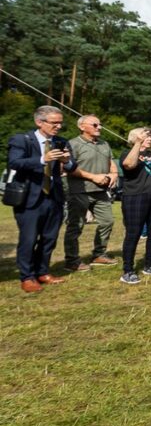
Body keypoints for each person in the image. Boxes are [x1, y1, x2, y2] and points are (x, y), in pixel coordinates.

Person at [7, 106, 78, 293]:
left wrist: (66, 162)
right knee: (29, 239)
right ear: (39, 122)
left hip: (53, 197)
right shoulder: (22, 140)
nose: (59, 127)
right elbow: (14, 162)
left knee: (49, 238)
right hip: (29, 198)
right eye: (54, 123)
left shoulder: (61, 141)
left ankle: (43, 271)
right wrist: (42, 159)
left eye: (60, 123)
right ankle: (27, 276)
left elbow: (71, 166)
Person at [64, 114, 118, 272]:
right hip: (79, 191)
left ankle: (99, 254)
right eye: (95, 125)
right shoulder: (73, 144)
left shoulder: (104, 144)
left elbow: (111, 164)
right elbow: (68, 168)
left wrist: (113, 175)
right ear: (82, 126)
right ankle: (72, 260)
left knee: (107, 221)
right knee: (76, 226)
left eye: (100, 124)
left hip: (100, 191)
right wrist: (94, 177)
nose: (99, 127)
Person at [119, 127, 151, 284]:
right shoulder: (126, 153)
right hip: (135, 197)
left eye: (149, 136)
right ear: (135, 137)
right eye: (145, 135)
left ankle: (150, 265)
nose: (149, 137)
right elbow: (129, 165)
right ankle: (128, 270)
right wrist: (138, 144)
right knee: (133, 233)